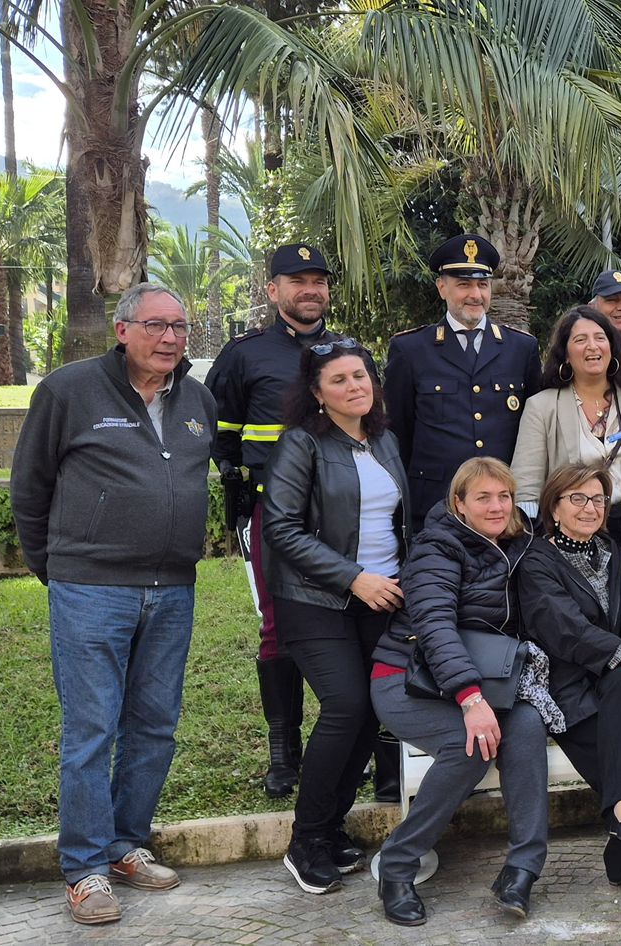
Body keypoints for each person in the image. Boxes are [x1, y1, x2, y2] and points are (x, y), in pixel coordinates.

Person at [9, 283, 217, 925]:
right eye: (156, 325)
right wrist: (56, 568)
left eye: (179, 326)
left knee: (155, 725)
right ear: (123, 330)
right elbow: (30, 485)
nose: (170, 338)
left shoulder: (197, 399)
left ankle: (126, 844)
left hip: (172, 588)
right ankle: (85, 870)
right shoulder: (68, 391)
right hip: (90, 589)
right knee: (92, 729)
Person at [209, 243, 372, 801]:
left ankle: (347, 741)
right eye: (297, 281)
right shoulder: (245, 354)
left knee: (350, 617)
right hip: (276, 511)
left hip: (346, 507)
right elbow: (221, 433)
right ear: (272, 289)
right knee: (278, 626)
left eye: (318, 281)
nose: (310, 290)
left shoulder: (349, 354)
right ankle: (284, 752)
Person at [367, 458, 545, 927]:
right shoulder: (437, 548)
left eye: (504, 496)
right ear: (459, 504)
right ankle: (397, 865)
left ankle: (522, 869)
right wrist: (470, 699)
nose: (497, 506)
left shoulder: (518, 546)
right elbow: (435, 627)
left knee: (528, 723)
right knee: (470, 747)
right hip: (408, 680)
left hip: (483, 683)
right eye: (483, 497)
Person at [257, 335, 407, 894]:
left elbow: (399, 521)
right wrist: (354, 578)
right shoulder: (301, 444)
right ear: (317, 394)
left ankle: (330, 828)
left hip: (382, 598)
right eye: (338, 380)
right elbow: (281, 529)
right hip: (316, 599)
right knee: (346, 705)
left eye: (360, 375)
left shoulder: (384, 439)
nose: (354, 386)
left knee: (371, 712)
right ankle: (305, 841)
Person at [517, 463, 621, 898]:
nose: (590, 508)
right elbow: (562, 627)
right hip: (564, 684)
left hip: (610, 676)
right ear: (553, 507)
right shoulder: (536, 558)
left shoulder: (609, 548)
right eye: (578, 499)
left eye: (599, 500)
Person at [385, 232, 541, 530]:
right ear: (441, 288)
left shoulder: (521, 348)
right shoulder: (411, 350)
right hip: (435, 504)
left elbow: (534, 430)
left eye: (482, 285)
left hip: (502, 507)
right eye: (464, 285)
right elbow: (399, 433)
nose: (475, 295)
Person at [511, 305, 621, 540]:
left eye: (600, 338)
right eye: (580, 340)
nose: (592, 346)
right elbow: (526, 488)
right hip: (571, 534)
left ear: (612, 347)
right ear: (566, 354)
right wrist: (534, 540)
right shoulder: (542, 406)